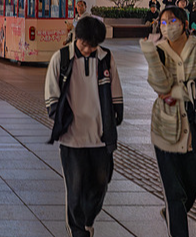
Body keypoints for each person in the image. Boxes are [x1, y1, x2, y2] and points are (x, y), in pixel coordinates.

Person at [140, 6, 196, 237]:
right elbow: (160, 87)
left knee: (190, 187)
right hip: (166, 126)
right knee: (174, 193)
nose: (167, 27)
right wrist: (151, 57)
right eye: (163, 23)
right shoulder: (160, 51)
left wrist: (181, 92)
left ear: (185, 24)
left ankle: (175, 211)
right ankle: (176, 220)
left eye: (172, 21)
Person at [45, 16, 123, 237]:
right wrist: (61, 119)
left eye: (93, 45)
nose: (88, 49)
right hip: (72, 138)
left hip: (99, 135)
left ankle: (88, 220)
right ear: (76, 38)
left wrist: (115, 117)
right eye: (84, 44)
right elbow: (51, 93)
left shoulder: (106, 58)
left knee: (101, 184)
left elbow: (115, 90)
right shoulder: (61, 58)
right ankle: (78, 230)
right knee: (75, 188)